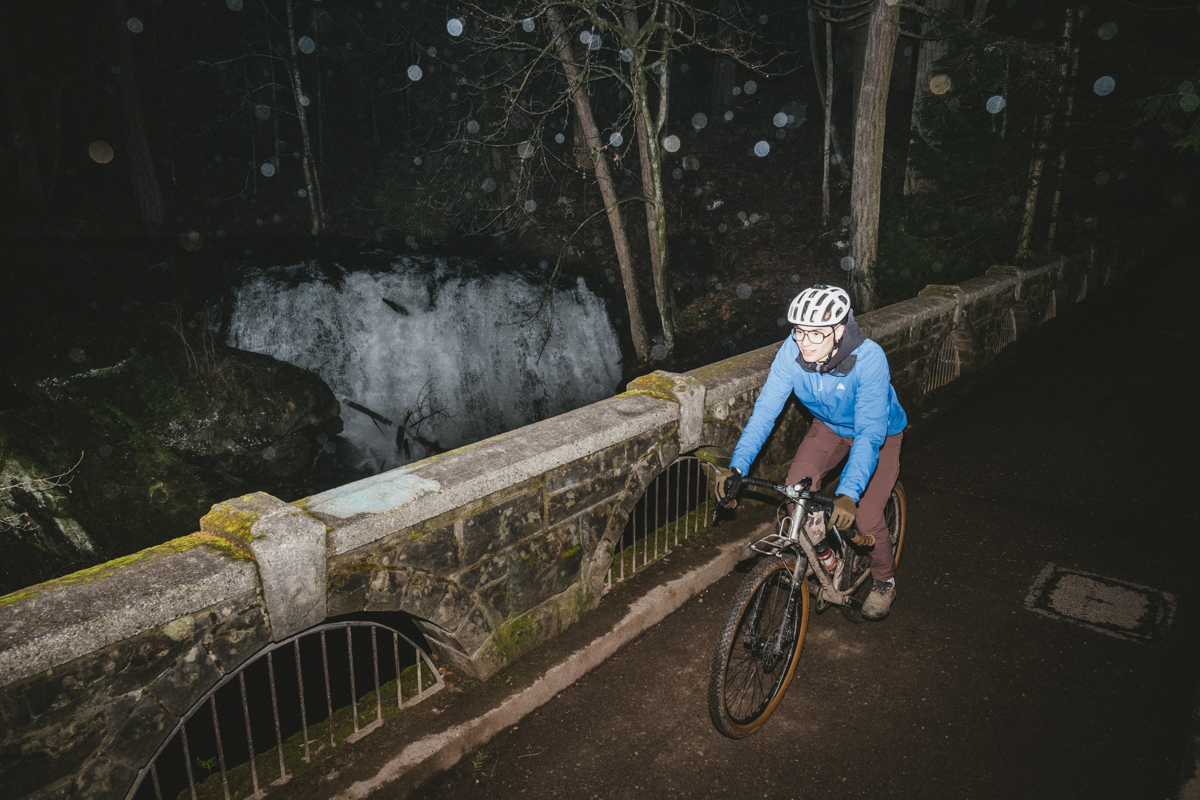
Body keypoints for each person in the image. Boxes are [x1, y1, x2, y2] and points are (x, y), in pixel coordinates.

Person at [716, 284, 908, 621]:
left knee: (866, 516)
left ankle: (884, 580)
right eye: (799, 331)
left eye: (815, 334)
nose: (804, 341)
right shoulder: (792, 352)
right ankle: (824, 555)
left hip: (879, 433)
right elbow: (765, 412)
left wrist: (848, 494)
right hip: (830, 428)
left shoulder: (869, 359)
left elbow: (868, 434)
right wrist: (738, 467)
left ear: (838, 331)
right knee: (796, 491)